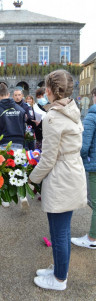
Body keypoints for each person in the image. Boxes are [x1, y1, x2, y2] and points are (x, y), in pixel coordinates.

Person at [29, 69, 87, 291]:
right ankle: (58, 269)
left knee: (60, 232)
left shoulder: (53, 116)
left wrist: (31, 179)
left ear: (50, 91)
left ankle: (59, 279)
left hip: (62, 176)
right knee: (59, 230)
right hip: (71, 172)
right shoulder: (72, 109)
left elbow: (48, 158)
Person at [0, 83, 28, 209]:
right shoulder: (20, 110)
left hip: (4, 144)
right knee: (18, 168)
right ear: (8, 94)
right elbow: (24, 129)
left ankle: (5, 199)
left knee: (4, 171)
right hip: (18, 142)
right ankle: (23, 196)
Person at [71, 88, 96, 249]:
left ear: (94, 96)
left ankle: (92, 239)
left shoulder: (92, 116)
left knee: (94, 201)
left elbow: (83, 145)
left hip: (94, 165)